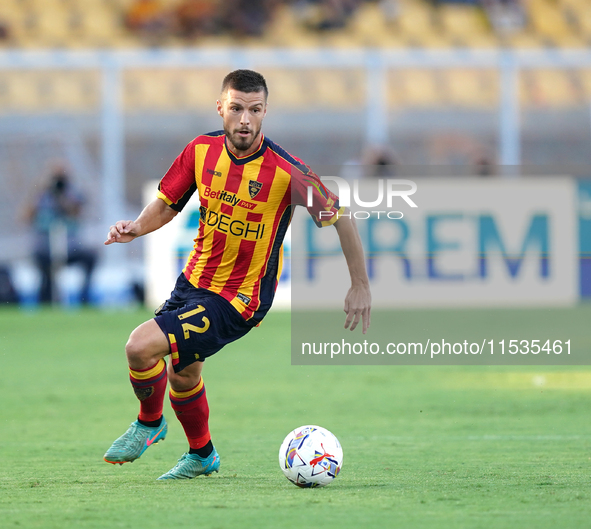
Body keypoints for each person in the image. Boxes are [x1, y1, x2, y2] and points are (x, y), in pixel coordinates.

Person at [103, 69, 371, 480]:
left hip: (239, 299)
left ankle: (149, 422)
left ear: (265, 112)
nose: (245, 119)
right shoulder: (200, 151)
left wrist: (360, 285)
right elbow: (167, 203)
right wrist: (135, 227)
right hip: (192, 282)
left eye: (255, 110)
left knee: (140, 347)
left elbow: (340, 217)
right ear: (221, 108)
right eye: (237, 108)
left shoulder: (287, 171)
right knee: (183, 371)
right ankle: (202, 454)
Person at [27, 169, 97, 305]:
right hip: (46, 249)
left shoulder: (72, 194)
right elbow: (26, 216)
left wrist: (62, 199)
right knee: (44, 269)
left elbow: (77, 211)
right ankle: (45, 301)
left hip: (71, 248)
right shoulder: (41, 196)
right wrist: (39, 191)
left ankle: (84, 298)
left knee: (91, 257)